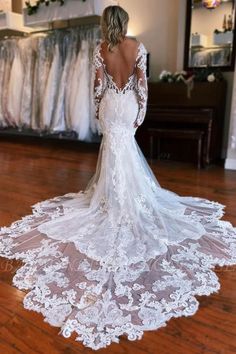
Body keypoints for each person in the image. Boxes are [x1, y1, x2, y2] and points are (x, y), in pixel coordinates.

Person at [0, 5, 236, 351]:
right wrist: (139, 113)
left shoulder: (100, 50)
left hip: (111, 104)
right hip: (128, 106)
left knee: (112, 152)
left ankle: (112, 198)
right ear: (124, 24)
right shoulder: (136, 46)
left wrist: (100, 112)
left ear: (103, 24)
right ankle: (125, 199)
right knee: (125, 151)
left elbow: (97, 88)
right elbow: (142, 85)